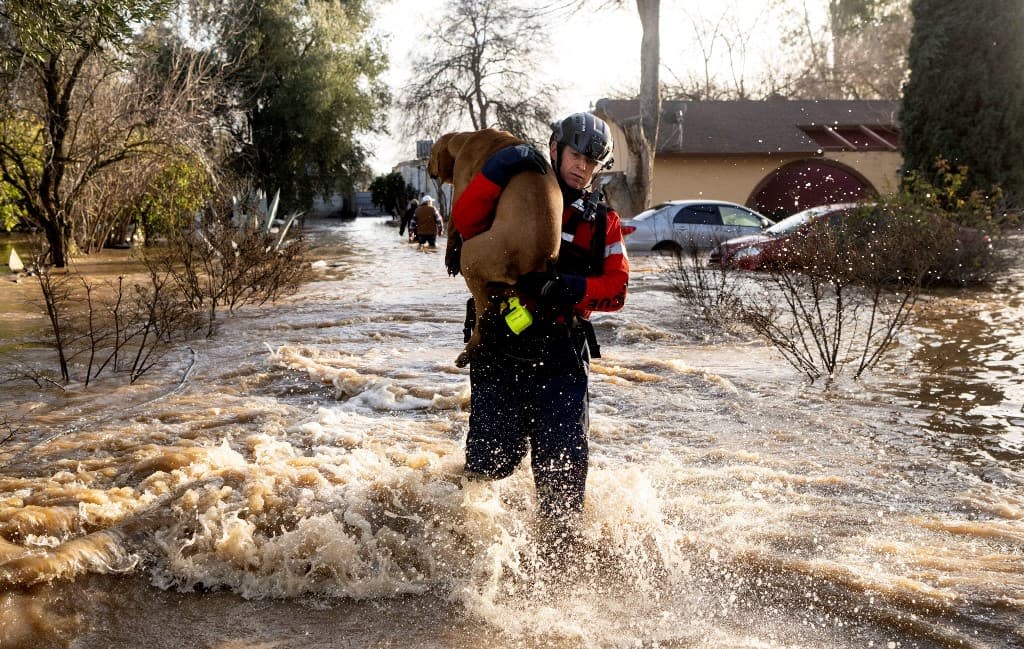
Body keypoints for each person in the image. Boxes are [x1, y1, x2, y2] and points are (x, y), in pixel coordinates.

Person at [450, 112, 629, 548]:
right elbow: (465, 222)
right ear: (554, 149)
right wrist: (496, 171)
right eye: (575, 155)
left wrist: (567, 287)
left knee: (563, 480)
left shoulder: (602, 220)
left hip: (560, 358)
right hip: (498, 347)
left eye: (592, 161)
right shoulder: (511, 193)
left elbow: (617, 288)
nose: (582, 167)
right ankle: (472, 549)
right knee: (489, 464)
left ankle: (559, 566)